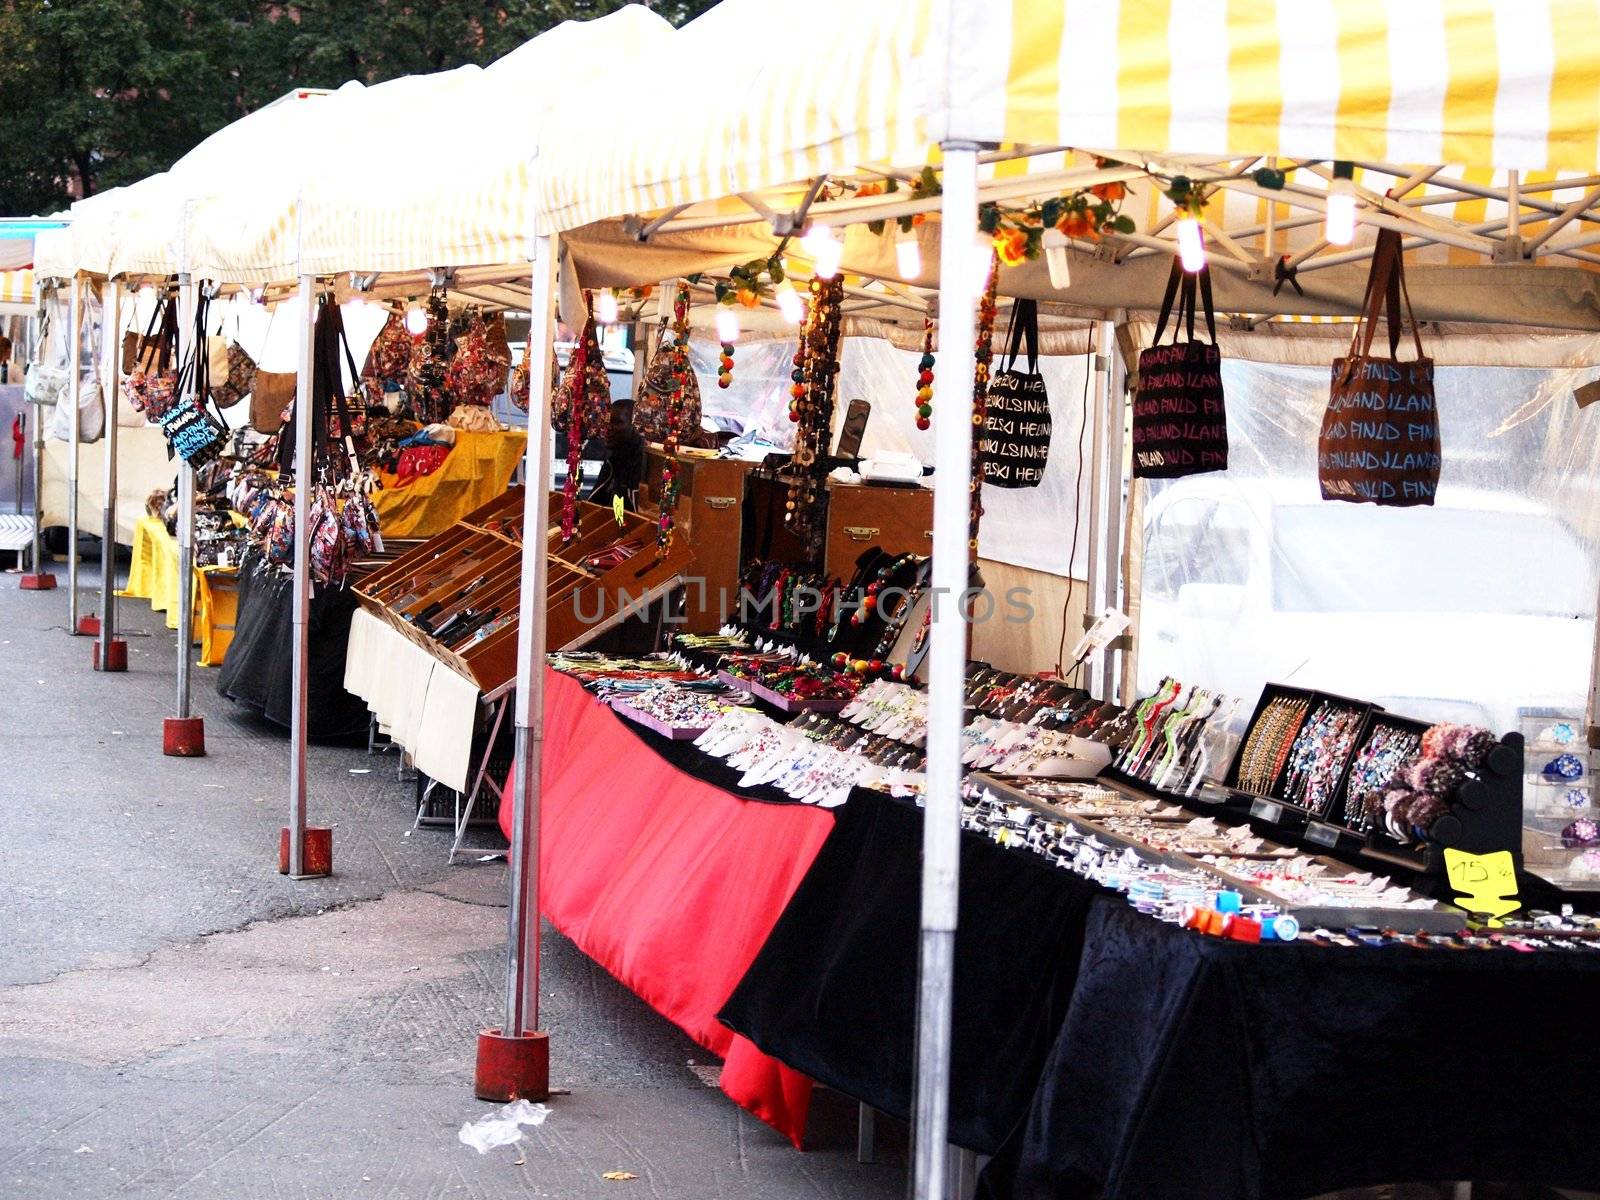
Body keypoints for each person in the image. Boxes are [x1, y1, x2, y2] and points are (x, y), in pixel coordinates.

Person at [588, 397, 644, 509]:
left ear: (636, 426)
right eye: (608, 422)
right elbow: (593, 507)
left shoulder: (641, 468)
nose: (608, 428)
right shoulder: (613, 461)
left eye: (617, 422)